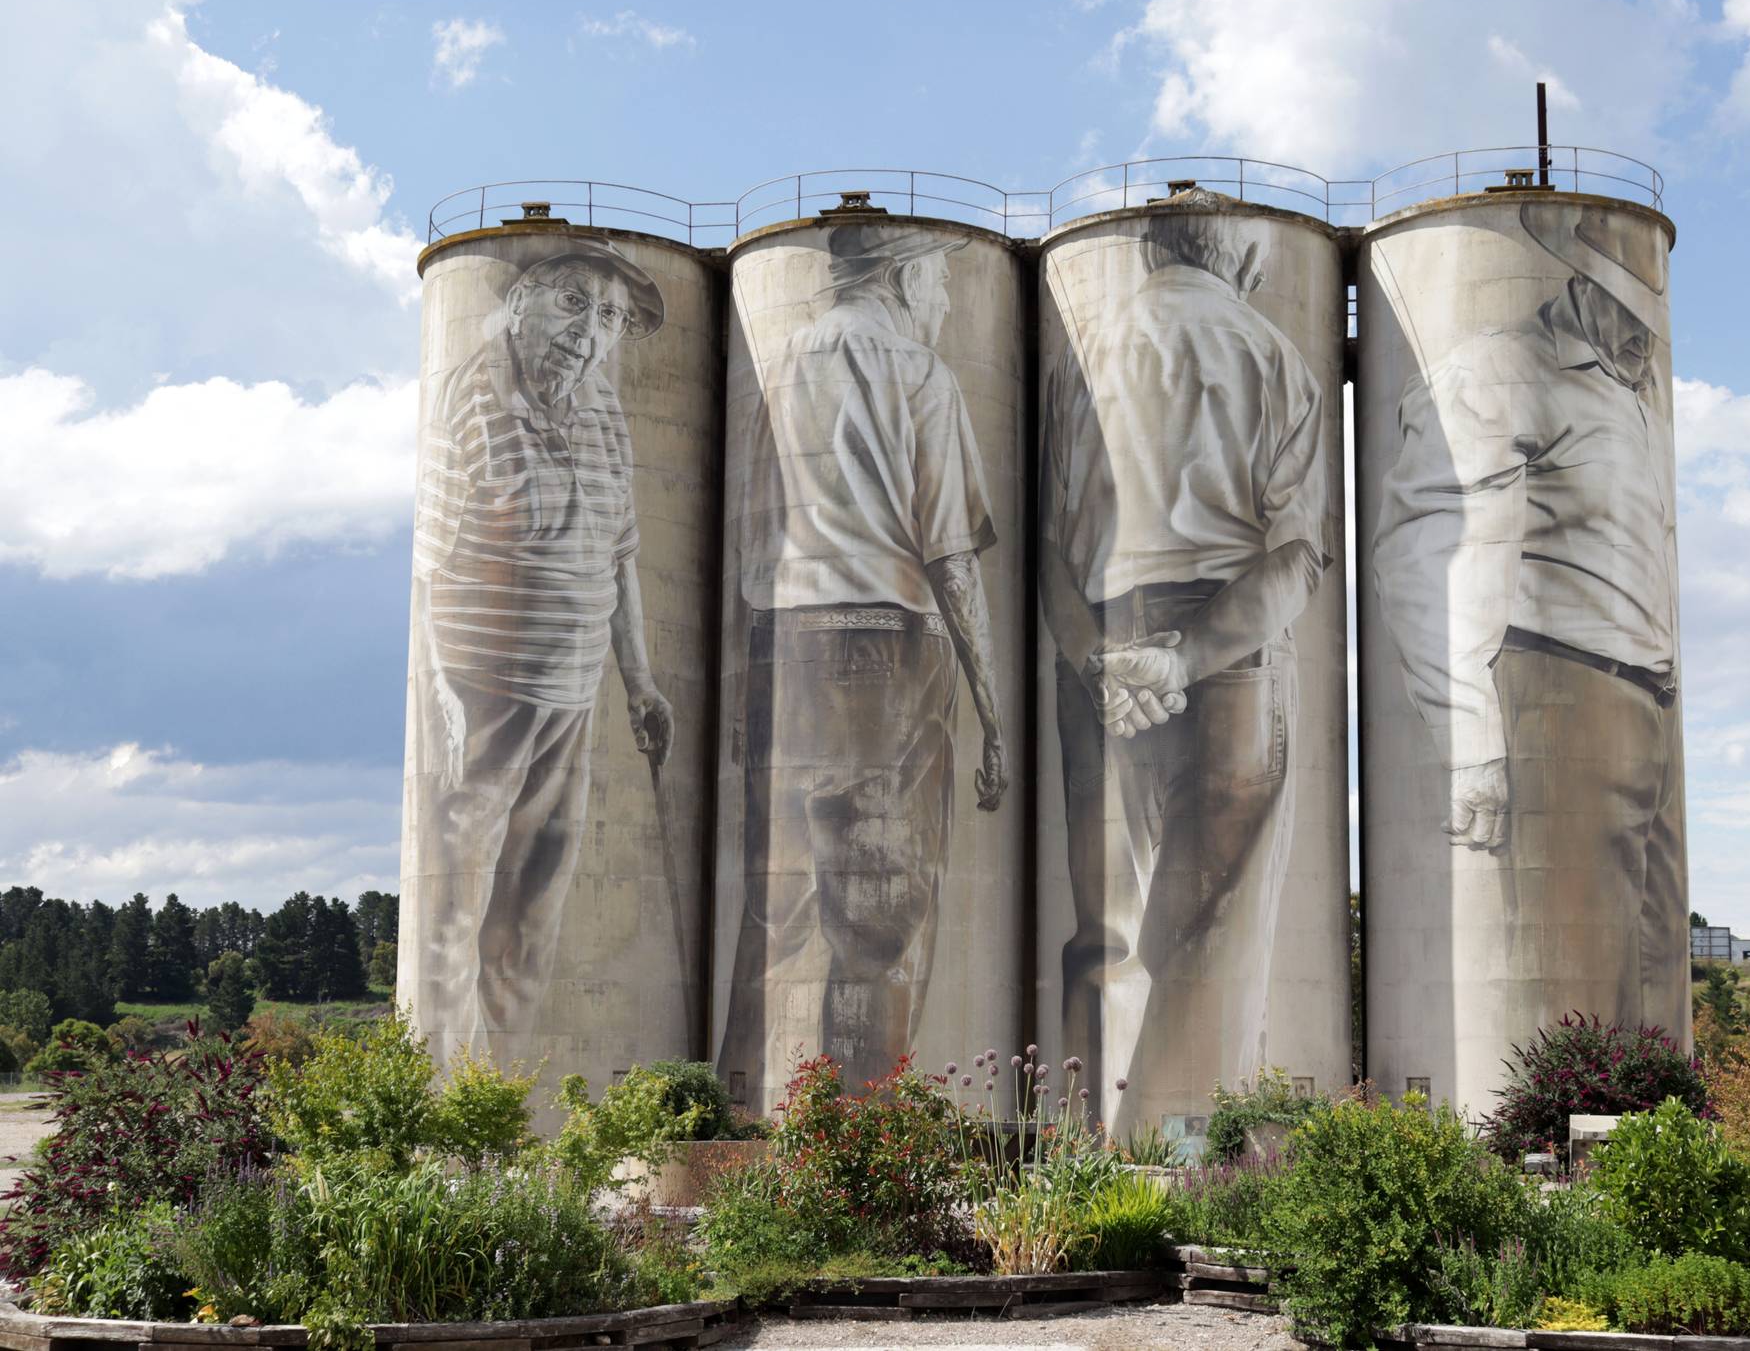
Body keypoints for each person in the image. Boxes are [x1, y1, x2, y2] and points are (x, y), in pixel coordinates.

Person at [1041, 190, 1331, 1107]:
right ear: (1237, 256)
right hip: (1226, 653)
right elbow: (1293, 556)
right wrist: (1182, 657)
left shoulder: (1078, 363)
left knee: (1106, 931)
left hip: (1098, 645)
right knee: (1213, 930)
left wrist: (1100, 659)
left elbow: (1049, 547)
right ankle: (1178, 1160)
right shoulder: (1271, 352)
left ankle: (1087, 1160)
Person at [1373, 200, 1687, 1035]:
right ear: (1588, 285)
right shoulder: (1499, 372)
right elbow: (1422, 560)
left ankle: (1652, 1159)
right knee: (1575, 999)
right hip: (1561, 699)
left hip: (1651, 715)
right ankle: (1547, 1156)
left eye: (1655, 315)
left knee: (1647, 998)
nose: (1644, 335)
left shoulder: (1638, 397)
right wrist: (1472, 743)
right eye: (1631, 308)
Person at [721, 222, 1005, 1097]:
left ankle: (746, 1114)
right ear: (906, 276)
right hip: (885, 649)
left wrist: (742, 696)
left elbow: (753, 548)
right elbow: (952, 557)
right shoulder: (920, 372)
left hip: (784, 650)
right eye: (939, 281)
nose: (948, 299)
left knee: (779, 907)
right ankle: (861, 1129)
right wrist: (993, 713)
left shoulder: (782, 369)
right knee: (880, 911)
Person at [410, 243, 674, 1052]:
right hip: (483, 689)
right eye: (571, 304)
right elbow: (427, 568)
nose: (587, 334)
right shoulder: (469, 397)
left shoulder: (601, 408)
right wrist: (443, 697)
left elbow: (619, 552)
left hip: (574, 691)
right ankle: (443, 1100)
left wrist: (640, 682)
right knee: (455, 903)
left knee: (533, 905)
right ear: (520, 300)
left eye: (608, 318)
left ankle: (512, 1100)